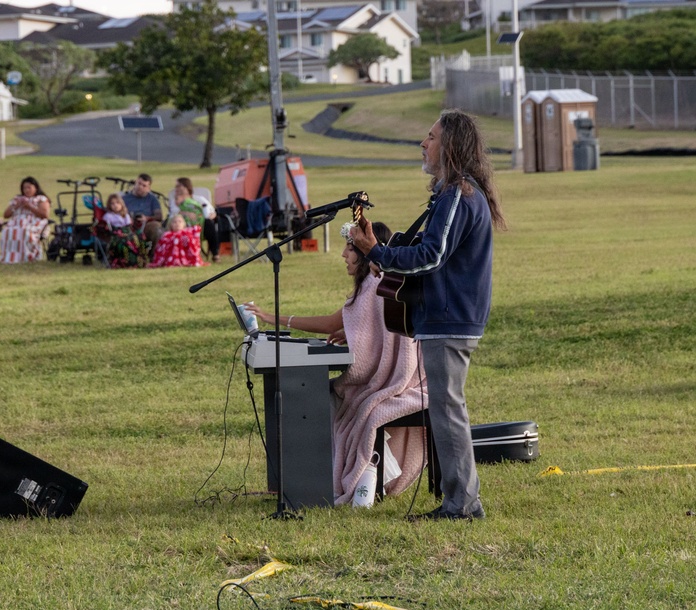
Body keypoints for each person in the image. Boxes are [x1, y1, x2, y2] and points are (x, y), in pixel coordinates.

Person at [349, 109, 507, 522]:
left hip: (450, 318)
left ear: (450, 145)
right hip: (446, 317)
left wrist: (376, 252)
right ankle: (461, 501)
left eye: (431, 136)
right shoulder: (452, 193)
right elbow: (426, 252)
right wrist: (384, 254)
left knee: (448, 410)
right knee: (446, 408)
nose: (424, 142)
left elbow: (431, 257)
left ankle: (462, 505)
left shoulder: (458, 193)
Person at [246, 222, 428, 505]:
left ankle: (332, 476)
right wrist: (352, 333)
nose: (344, 254)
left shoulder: (374, 284)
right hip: (401, 375)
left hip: (398, 381)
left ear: (366, 251)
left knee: (328, 394)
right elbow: (372, 329)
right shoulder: (374, 282)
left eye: (349, 248)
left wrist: (272, 318)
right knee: (328, 393)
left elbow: (333, 322)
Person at [0, 176, 50, 263]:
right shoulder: (18, 199)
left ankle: (28, 256)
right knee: (8, 231)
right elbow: (6, 215)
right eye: (24, 188)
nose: (26, 190)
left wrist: (30, 207)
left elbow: (44, 214)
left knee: (24, 231)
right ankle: (10, 258)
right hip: (16, 222)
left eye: (29, 187)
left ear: (35, 188)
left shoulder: (41, 199)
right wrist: (16, 206)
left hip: (34, 222)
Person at [170, 177, 220, 262]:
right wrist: (185, 213)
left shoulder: (199, 199)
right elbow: (172, 216)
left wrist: (212, 214)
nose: (176, 188)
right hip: (182, 227)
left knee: (209, 223)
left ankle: (215, 254)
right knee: (177, 223)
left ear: (186, 187)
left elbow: (210, 211)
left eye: (179, 186)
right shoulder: (175, 202)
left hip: (200, 227)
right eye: (176, 186)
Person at [121, 173, 163, 247]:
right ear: (135, 182)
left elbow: (159, 216)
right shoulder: (124, 198)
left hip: (146, 225)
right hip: (128, 225)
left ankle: (153, 255)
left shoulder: (152, 199)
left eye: (144, 186)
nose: (140, 187)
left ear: (149, 188)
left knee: (156, 228)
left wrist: (147, 218)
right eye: (139, 183)